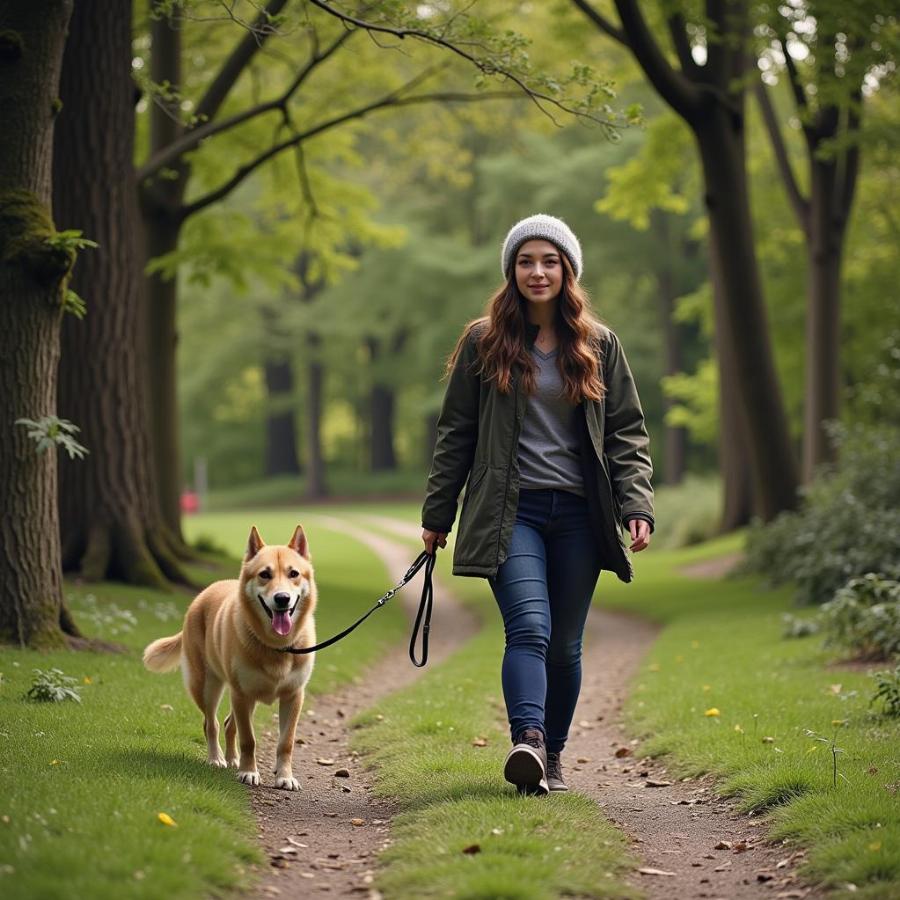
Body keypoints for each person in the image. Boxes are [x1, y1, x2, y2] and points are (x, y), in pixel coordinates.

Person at [420, 213, 654, 796]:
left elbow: (627, 431)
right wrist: (437, 515)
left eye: (549, 261)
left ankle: (552, 755)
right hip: (511, 512)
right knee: (529, 628)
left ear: (567, 270)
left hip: (580, 515)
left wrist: (637, 504)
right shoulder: (484, 341)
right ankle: (526, 739)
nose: (537, 271)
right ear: (511, 270)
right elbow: (457, 432)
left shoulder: (599, 345)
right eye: (526, 261)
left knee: (567, 645)